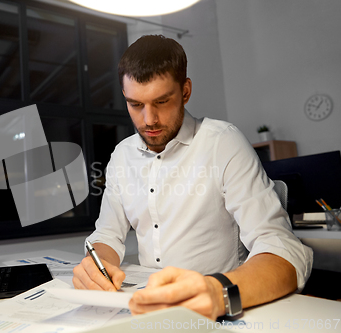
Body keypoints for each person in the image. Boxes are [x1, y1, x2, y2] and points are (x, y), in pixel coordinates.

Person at [72, 35, 313, 320]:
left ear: (185, 91)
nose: (149, 120)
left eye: (161, 101)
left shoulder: (222, 142)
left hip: (217, 306)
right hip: (150, 309)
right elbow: (108, 235)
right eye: (135, 104)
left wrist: (217, 291)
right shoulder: (122, 156)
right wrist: (96, 266)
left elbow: (281, 247)